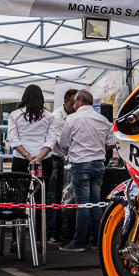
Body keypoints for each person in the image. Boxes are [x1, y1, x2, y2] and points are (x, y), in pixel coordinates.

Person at [58, 90, 115, 252]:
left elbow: (63, 143)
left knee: (83, 203)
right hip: (98, 164)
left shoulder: (72, 119)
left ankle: (79, 241)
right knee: (96, 203)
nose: (73, 106)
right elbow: (111, 143)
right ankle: (96, 240)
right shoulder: (103, 120)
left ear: (80, 101)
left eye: (75, 102)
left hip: (81, 163)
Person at [7, 84, 56, 239]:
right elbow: (51, 140)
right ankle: (40, 238)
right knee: (41, 200)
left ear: (24, 97)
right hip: (44, 161)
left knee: (18, 200)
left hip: (20, 160)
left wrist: (28, 156)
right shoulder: (49, 116)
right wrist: (38, 157)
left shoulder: (15, 115)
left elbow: (13, 140)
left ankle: (16, 239)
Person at [45, 88, 78, 246]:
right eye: (72, 103)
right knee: (53, 197)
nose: (75, 107)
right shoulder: (57, 117)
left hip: (62, 158)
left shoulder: (73, 116)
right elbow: (62, 143)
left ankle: (57, 232)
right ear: (65, 102)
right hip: (54, 158)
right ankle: (52, 233)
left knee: (59, 198)